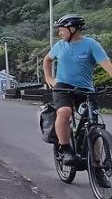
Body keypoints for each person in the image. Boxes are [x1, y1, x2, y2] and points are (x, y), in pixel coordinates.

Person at [43, 14, 112, 178]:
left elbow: (107, 65)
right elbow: (47, 60)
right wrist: (49, 79)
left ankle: (97, 169)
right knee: (64, 112)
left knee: (94, 125)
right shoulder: (59, 46)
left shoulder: (91, 45)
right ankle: (65, 147)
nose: (60, 33)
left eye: (62, 30)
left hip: (85, 88)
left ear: (72, 29)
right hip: (62, 86)